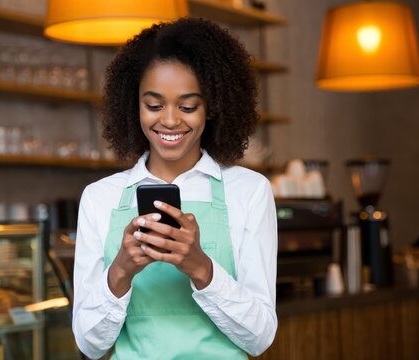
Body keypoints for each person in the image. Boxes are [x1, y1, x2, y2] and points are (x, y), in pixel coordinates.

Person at [72, 18, 277, 360]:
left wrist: (201, 268)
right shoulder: (99, 198)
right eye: (154, 105)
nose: (169, 120)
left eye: (187, 106)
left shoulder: (250, 191)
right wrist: (121, 270)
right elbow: (90, 346)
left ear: (212, 107)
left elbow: (260, 337)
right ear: (132, 105)